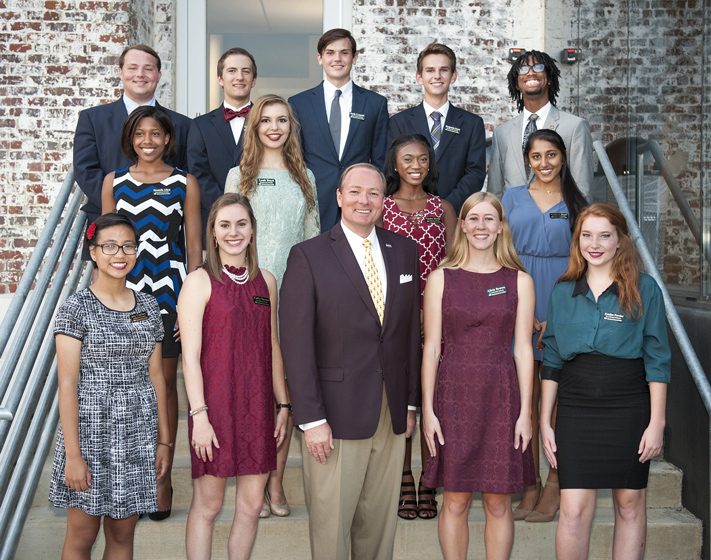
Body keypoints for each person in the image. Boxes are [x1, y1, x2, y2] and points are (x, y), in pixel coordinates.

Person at [279, 163, 421, 560]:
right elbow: (296, 344)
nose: (364, 200)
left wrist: (410, 403)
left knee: (378, 528)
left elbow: (409, 333)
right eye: (355, 192)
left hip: (390, 412)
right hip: (334, 417)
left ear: (383, 201)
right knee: (332, 530)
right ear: (339, 197)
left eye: (373, 193)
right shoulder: (308, 256)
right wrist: (310, 419)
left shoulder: (404, 251)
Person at [540, 203, 670, 559]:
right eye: (586, 235)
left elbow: (657, 360)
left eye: (604, 235)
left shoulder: (645, 290)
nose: (594, 244)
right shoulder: (562, 292)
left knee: (629, 504)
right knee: (573, 510)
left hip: (628, 403)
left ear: (620, 241)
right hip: (576, 407)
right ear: (577, 240)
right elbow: (551, 358)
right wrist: (544, 421)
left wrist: (656, 422)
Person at [422, 192, 536, 559]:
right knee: (454, 500)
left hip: (502, 396)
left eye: (489, 219)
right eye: (473, 218)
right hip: (453, 395)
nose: (481, 226)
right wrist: (428, 410)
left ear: (501, 227)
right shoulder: (441, 278)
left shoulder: (519, 281)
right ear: (463, 226)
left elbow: (523, 350)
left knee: (498, 502)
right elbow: (432, 348)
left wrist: (526, 413)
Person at [50, 213, 171, 559]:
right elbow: (68, 383)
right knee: (82, 536)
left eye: (128, 246)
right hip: (90, 431)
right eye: (110, 246)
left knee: (122, 534)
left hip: (136, 431)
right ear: (93, 251)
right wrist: (73, 456)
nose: (120, 254)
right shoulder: (76, 308)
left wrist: (164, 440)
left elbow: (157, 377)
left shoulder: (149, 305)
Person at [101, 105, 202, 520]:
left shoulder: (185, 182)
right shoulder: (115, 182)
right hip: (123, 295)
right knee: (125, 387)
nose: (148, 140)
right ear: (130, 137)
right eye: (140, 133)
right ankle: (131, 474)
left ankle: (161, 478)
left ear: (167, 138)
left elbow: (194, 247)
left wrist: (189, 305)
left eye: (156, 133)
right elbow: (107, 244)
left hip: (168, 295)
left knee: (163, 384)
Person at [178, 193, 290, 560]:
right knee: (208, 506)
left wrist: (283, 404)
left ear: (253, 230)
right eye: (224, 225)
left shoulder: (267, 282)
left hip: (257, 408)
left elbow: (272, 346)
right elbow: (190, 358)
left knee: (252, 505)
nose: (233, 232)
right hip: (215, 410)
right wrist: (199, 417)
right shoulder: (198, 281)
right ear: (212, 233)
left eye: (241, 224)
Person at [225, 93, 319, 518]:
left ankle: (277, 482)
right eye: (266, 121)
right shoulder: (238, 176)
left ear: (291, 127)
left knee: (288, 392)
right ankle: (256, 484)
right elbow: (226, 239)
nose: (275, 127)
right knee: (256, 393)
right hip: (251, 292)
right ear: (254, 127)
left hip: (295, 295)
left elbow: (314, 241)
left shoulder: (307, 178)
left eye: (282, 120)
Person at [501, 129, 588, 523]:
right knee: (524, 398)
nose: (544, 164)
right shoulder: (511, 198)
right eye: (536, 157)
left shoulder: (577, 203)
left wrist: (558, 312)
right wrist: (521, 308)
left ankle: (556, 481)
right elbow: (501, 253)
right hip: (517, 299)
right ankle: (529, 482)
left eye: (551, 155)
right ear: (527, 160)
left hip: (561, 302)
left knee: (555, 399)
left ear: (564, 156)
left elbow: (585, 261)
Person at [379, 133, 456, 521]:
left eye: (422, 159)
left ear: (430, 163)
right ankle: (404, 474)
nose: (415, 165)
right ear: (395, 164)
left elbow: (457, 263)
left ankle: (430, 476)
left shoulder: (443, 208)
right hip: (395, 312)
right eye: (407, 159)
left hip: (437, 313)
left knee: (432, 398)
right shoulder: (382, 207)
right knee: (401, 396)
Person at [73, 44, 191, 260]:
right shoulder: (92, 119)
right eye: (133, 67)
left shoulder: (183, 125)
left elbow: (185, 174)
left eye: (148, 68)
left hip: (165, 235)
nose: (140, 74)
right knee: (109, 294)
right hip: (110, 226)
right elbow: (85, 170)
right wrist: (125, 205)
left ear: (159, 74)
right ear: (120, 72)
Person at [289, 28, 389, 232]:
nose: (337, 59)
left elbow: (380, 160)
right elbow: (295, 158)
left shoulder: (375, 104)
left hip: (360, 203)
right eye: (330, 53)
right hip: (314, 202)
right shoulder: (299, 103)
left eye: (344, 52)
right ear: (320, 58)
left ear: (354, 57)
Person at [387, 42, 486, 214]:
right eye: (430, 70)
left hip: (454, 214)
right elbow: (392, 170)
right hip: (409, 214)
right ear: (419, 77)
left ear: (453, 76)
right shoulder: (399, 122)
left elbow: (474, 174)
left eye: (444, 70)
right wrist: (415, 206)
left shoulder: (472, 124)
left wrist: (445, 208)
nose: (437, 76)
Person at [488, 50, 594, 201]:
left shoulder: (575, 127)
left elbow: (583, 189)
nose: (531, 73)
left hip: (557, 220)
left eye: (538, 67)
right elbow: (495, 192)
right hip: (511, 221)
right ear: (517, 84)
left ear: (549, 78)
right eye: (523, 69)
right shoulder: (502, 133)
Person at [188, 47, 257, 244]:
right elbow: (197, 174)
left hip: (257, 221)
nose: (239, 77)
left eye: (246, 71)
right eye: (232, 71)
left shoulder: (266, 123)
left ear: (253, 80)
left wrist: (247, 213)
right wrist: (226, 211)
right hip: (213, 223)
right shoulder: (200, 126)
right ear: (220, 79)